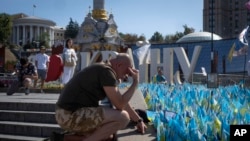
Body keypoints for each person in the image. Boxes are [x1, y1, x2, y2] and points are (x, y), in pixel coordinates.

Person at [55, 53, 147, 141]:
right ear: (119, 65)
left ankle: (64, 138)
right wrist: (135, 83)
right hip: (70, 115)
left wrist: (138, 120)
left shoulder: (104, 68)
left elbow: (121, 101)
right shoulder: (106, 72)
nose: (127, 76)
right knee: (123, 117)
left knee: (108, 136)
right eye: (127, 71)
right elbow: (120, 105)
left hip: (65, 113)